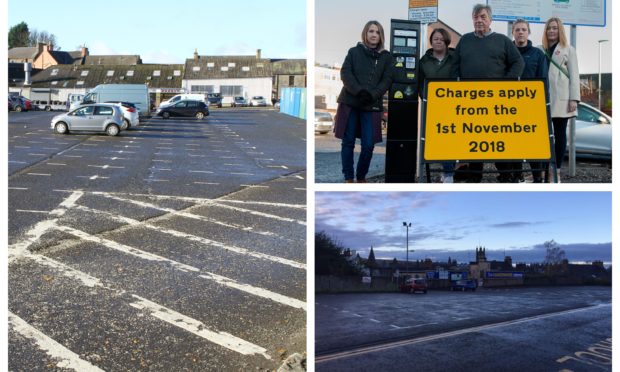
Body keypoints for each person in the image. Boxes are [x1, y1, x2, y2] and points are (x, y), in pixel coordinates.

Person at [452, 4, 524, 182]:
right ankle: (475, 178)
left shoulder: (502, 41)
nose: (479, 20)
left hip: (497, 105)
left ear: (490, 20)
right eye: (476, 17)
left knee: (499, 143)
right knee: (474, 144)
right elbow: (454, 66)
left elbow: (518, 63)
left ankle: (506, 177)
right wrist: (457, 88)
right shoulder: (465, 40)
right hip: (470, 104)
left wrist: (506, 84)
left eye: (483, 17)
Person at [333, 20, 393, 183]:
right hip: (350, 102)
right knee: (348, 142)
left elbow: (387, 80)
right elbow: (346, 73)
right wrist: (359, 91)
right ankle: (349, 177)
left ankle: (361, 176)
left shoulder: (386, 57)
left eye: (377, 32)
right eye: (371, 31)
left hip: (371, 105)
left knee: (368, 144)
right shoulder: (353, 52)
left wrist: (372, 94)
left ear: (381, 35)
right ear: (365, 34)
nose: (374, 35)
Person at [540, 17, 580, 183]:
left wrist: (574, 99)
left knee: (559, 135)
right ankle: (543, 170)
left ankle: (556, 171)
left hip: (561, 99)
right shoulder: (540, 49)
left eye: (555, 28)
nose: (551, 31)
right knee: (543, 137)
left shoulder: (568, 49)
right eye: (549, 28)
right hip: (543, 99)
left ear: (560, 30)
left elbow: (575, 75)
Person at [511, 19, 548, 183]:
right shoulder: (507, 52)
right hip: (510, 106)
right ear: (513, 32)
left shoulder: (537, 54)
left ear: (528, 32)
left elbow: (543, 80)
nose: (520, 32)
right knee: (515, 143)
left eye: (523, 30)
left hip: (532, 106)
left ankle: (537, 177)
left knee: (534, 143)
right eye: (517, 29)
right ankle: (517, 175)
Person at [418, 28, 457, 183]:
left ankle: (448, 174)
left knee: (450, 139)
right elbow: (420, 83)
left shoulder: (454, 58)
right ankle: (445, 171)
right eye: (435, 39)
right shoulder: (424, 61)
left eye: (441, 39)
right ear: (431, 41)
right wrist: (425, 97)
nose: (438, 41)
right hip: (432, 106)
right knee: (437, 140)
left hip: (452, 106)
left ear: (446, 41)